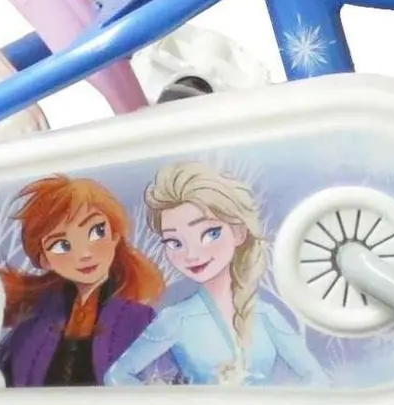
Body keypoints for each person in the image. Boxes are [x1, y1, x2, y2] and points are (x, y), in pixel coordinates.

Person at [105, 163, 329, 387]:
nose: (192, 254)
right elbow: (116, 376)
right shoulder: (176, 319)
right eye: (175, 242)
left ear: (238, 233)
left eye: (210, 233)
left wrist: (278, 404)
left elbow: (317, 378)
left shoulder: (266, 315)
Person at [0, 175, 165, 387]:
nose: (84, 254)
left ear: (115, 234)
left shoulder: (138, 319)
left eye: (97, 232)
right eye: (61, 245)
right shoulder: (33, 325)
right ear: (44, 259)